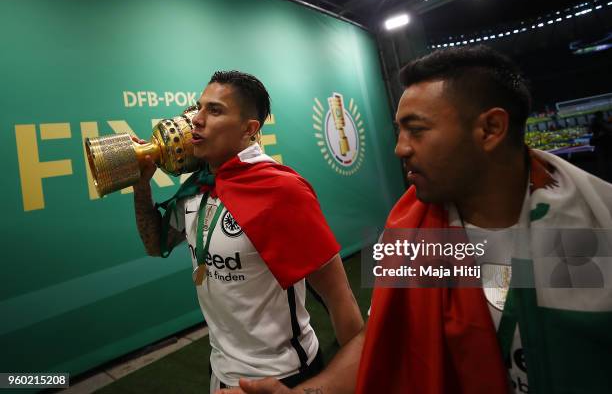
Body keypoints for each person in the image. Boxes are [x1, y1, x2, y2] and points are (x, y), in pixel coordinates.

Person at [219, 46, 612, 394]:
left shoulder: (595, 228)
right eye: (398, 131)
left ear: (491, 128)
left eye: (417, 131)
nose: (399, 148)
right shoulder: (416, 226)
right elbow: (385, 336)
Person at [133, 70, 364, 393]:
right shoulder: (197, 188)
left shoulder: (281, 191)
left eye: (214, 111)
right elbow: (155, 243)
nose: (196, 120)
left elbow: (339, 296)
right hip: (221, 372)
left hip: (285, 376)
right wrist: (141, 184)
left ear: (249, 129)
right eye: (198, 108)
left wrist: (355, 379)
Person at [591, 111, 612, 182]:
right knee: (607, 159)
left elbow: (589, 131)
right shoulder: (601, 122)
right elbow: (609, 129)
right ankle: (605, 175)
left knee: (602, 160)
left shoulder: (594, 122)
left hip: (600, 143)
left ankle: (603, 176)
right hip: (605, 143)